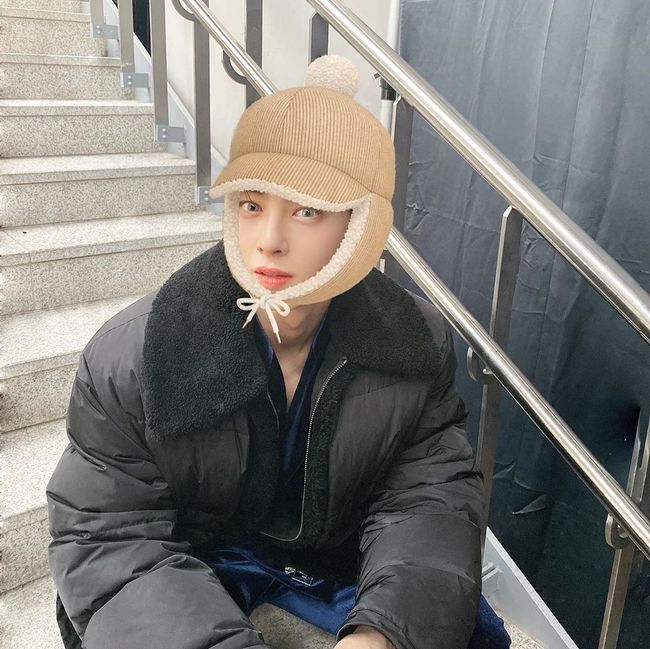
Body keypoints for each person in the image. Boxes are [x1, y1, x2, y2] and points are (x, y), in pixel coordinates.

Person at [47, 55, 510, 649]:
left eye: (307, 210)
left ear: (361, 224)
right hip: (198, 552)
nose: (269, 240)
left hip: (335, 554)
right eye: (251, 204)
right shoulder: (134, 355)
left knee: (467, 633)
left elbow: (429, 496)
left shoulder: (414, 341)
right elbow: (109, 534)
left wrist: (381, 634)